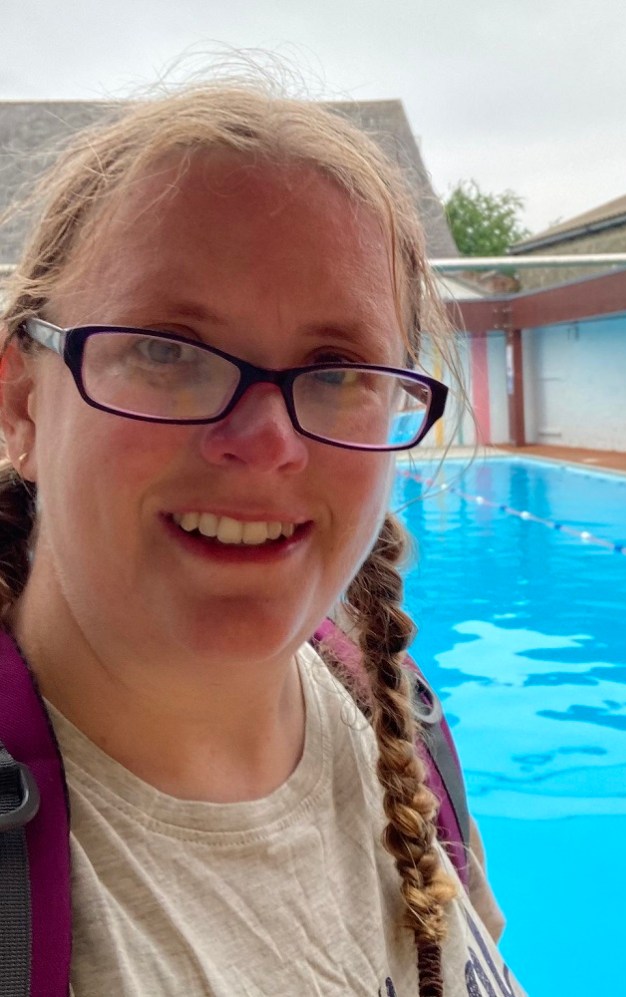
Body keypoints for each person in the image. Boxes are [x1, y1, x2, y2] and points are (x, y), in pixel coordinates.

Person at [0, 79, 524, 997]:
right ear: (21, 404)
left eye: (337, 370)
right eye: (166, 348)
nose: (266, 443)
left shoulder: (402, 730)